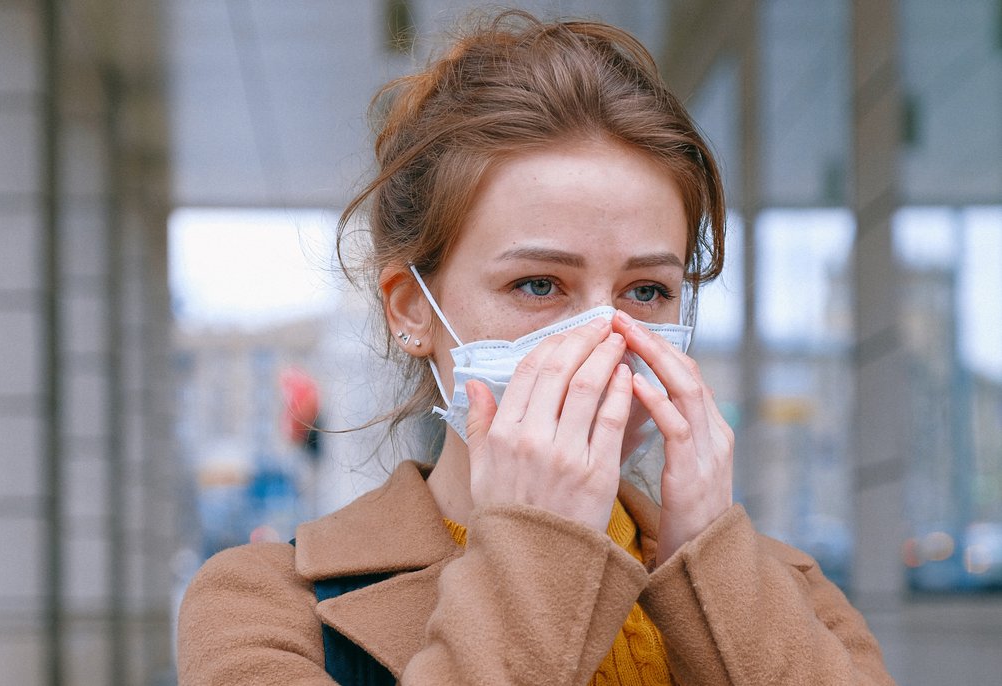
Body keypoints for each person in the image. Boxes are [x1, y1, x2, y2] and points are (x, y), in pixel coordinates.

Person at [177, 11, 895, 686]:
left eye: (646, 291)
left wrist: (707, 564)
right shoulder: (264, 603)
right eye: (538, 284)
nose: (599, 339)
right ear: (410, 310)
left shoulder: (791, 591)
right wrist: (540, 551)